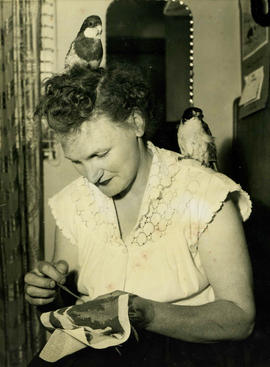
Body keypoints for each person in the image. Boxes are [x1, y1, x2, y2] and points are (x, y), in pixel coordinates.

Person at [24, 62, 255, 366]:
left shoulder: (206, 194)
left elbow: (240, 318)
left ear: (136, 123)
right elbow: (68, 304)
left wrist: (147, 313)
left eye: (100, 154)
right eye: (77, 162)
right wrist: (48, 291)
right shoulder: (72, 203)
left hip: (186, 354)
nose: (91, 175)